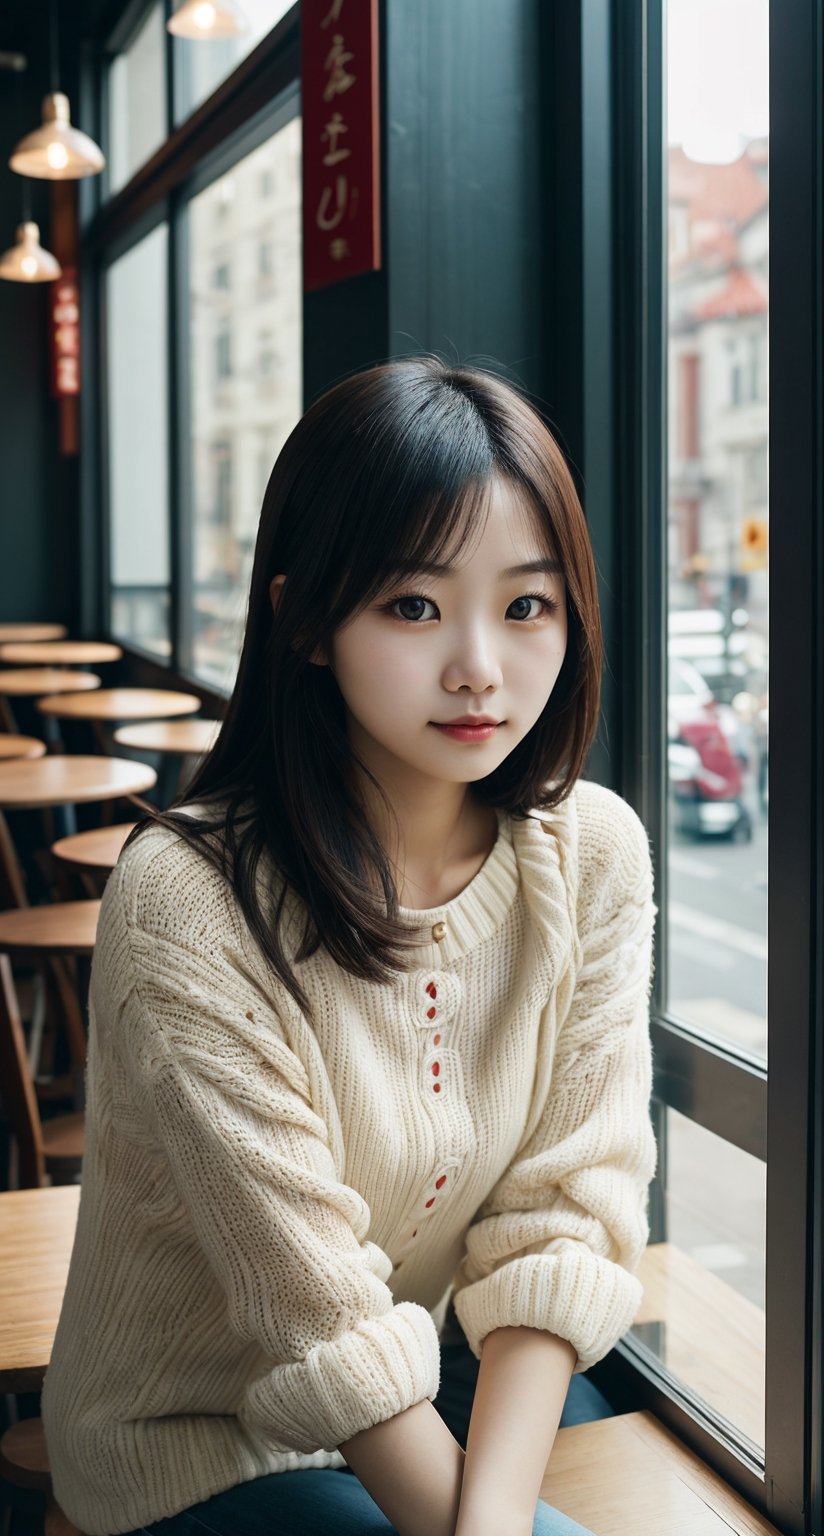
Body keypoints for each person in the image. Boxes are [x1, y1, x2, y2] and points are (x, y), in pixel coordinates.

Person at [41, 355, 658, 1536]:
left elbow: (562, 1216)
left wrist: (487, 1524)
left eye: (525, 604)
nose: (479, 664)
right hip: (196, 1441)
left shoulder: (591, 854)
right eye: (412, 605)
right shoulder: (189, 898)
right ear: (303, 619)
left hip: (426, 1382)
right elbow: (311, 1310)